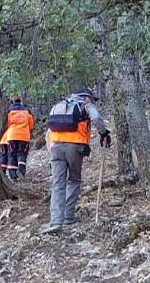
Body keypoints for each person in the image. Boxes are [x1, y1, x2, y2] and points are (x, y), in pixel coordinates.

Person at [41, 88, 111, 234]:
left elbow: (48, 133)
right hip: (74, 147)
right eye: (91, 98)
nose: (92, 101)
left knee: (58, 184)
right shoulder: (84, 105)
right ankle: (68, 216)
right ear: (85, 97)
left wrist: (51, 153)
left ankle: (55, 221)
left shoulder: (59, 106)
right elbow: (96, 118)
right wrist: (104, 133)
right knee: (73, 180)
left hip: (55, 147)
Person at [4, 96, 35, 181]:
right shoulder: (26, 112)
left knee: (12, 154)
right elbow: (31, 125)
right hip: (24, 137)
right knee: (22, 153)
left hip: (12, 136)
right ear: (20, 101)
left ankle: (13, 175)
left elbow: (6, 125)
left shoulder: (9, 112)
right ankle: (21, 170)